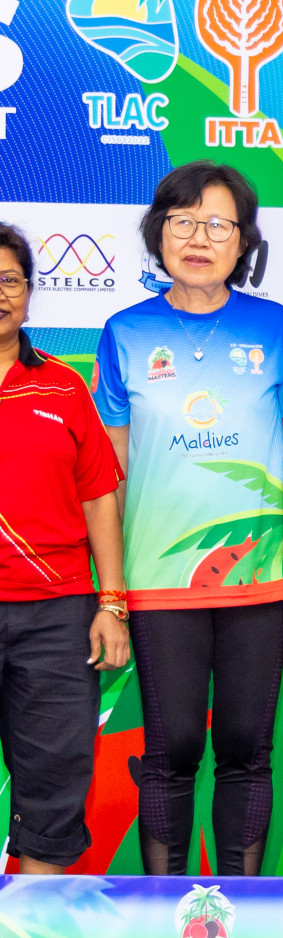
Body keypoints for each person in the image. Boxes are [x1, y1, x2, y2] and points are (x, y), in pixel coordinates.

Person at [94, 162, 283, 876]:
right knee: (172, 747)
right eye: (182, 222)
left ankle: (239, 908)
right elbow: (111, 475)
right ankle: (165, 911)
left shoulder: (275, 327)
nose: (199, 239)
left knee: (246, 746)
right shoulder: (125, 332)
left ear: (243, 243)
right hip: (158, 578)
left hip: (260, 576)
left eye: (218, 224)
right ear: (158, 234)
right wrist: (111, 594)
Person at [0, 223, 130, 873]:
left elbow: (100, 498)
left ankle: (30, 926)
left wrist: (112, 603)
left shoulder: (62, 386)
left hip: (56, 615)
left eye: (9, 280)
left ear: (29, 293)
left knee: (53, 789)